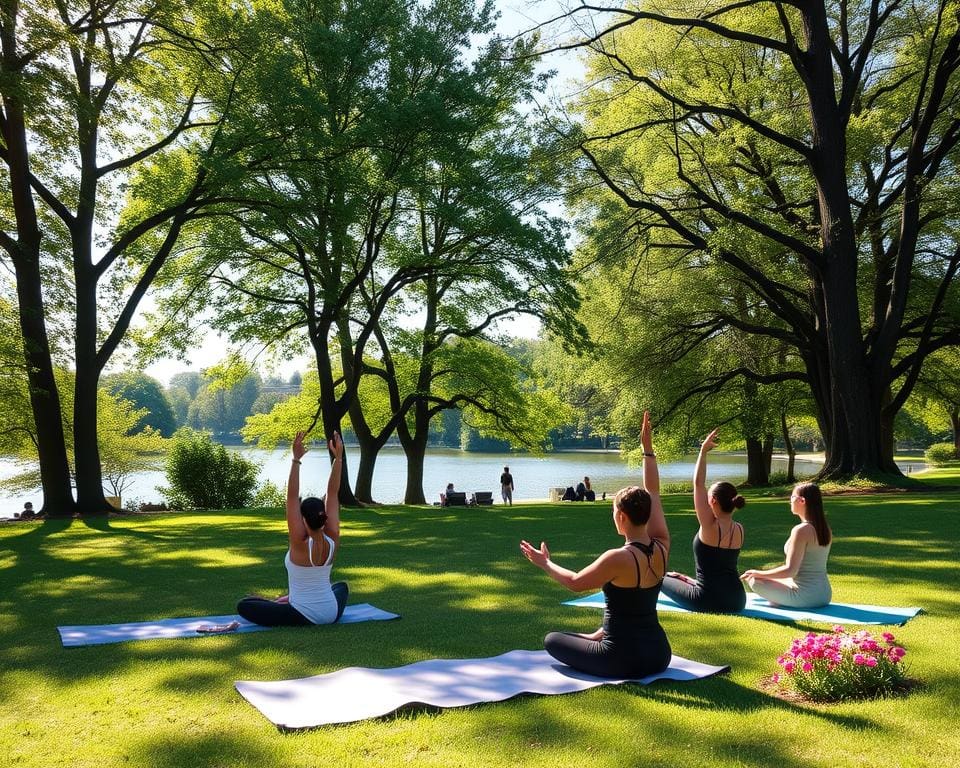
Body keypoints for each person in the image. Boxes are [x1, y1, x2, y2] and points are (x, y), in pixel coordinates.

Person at [520, 411, 671, 678]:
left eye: (613, 511)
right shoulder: (662, 547)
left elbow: (576, 582)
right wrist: (648, 452)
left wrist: (545, 563)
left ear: (622, 517)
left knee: (552, 639)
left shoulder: (618, 558)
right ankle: (596, 637)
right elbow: (655, 493)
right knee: (579, 636)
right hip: (660, 655)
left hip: (622, 659)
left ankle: (598, 640)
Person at [237, 431, 349, 626]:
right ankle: (291, 599)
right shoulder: (333, 536)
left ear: (303, 519)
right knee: (341, 587)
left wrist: (296, 459)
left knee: (245, 605)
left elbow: (291, 497)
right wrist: (338, 457)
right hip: (331, 612)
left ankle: (288, 601)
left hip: (303, 614)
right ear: (324, 517)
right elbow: (333, 492)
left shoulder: (299, 542)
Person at [660, 428, 746, 613]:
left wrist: (703, 451)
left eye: (708, 496)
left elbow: (698, 483)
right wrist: (686, 580)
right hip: (738, 600)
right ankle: (683, 579)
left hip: (708, 600)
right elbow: (719, 571)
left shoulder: (709, 525)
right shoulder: (739, 529)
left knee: (656, 575)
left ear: (713, 501)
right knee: (674, 577)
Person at [740, 482, 832, 608]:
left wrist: (757, 573)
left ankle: (780, 600)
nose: (790, 501)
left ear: (802, 500)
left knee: (755, 581)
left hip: (807, 596)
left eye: (792, 497)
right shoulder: (824, 527)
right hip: (824, 594)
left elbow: (790, 571)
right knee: (767, 579)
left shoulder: (801, 530)